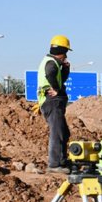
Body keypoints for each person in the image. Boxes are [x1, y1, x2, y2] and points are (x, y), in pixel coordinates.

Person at [37, 34, 73, 174]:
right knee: (57, 132)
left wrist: (65, 69)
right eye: (66, 52)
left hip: (52, 102)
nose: (66, 56)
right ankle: (54, 164)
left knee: (63, 132)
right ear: (61, 51)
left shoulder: (54, 62)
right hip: (52, 102)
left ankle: (62, 161)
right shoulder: (51, 63)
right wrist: (57, 89)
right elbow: (50, 73)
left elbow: (59, 78)